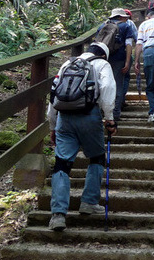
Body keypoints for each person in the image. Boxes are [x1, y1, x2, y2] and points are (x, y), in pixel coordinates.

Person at [47, 43, 117, 231]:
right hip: (89, 116)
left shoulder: (66, 64)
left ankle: (58, 215)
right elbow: (108, 89)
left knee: (62, 163)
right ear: (103, 54)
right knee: (96, 157)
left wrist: (52, 125)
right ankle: (88, 203)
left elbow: (54, 95)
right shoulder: (102, 64)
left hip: (64, 118)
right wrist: (109, 119)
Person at [94, 8, 136, 124]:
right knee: (117, 85)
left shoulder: (102, 26)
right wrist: (127, 62)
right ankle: (115, 113)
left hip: (102, 59)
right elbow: (128, 45)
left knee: (101, 84)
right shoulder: (125, 26)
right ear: (121, 17)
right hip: (119, 59)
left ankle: (100, 112)